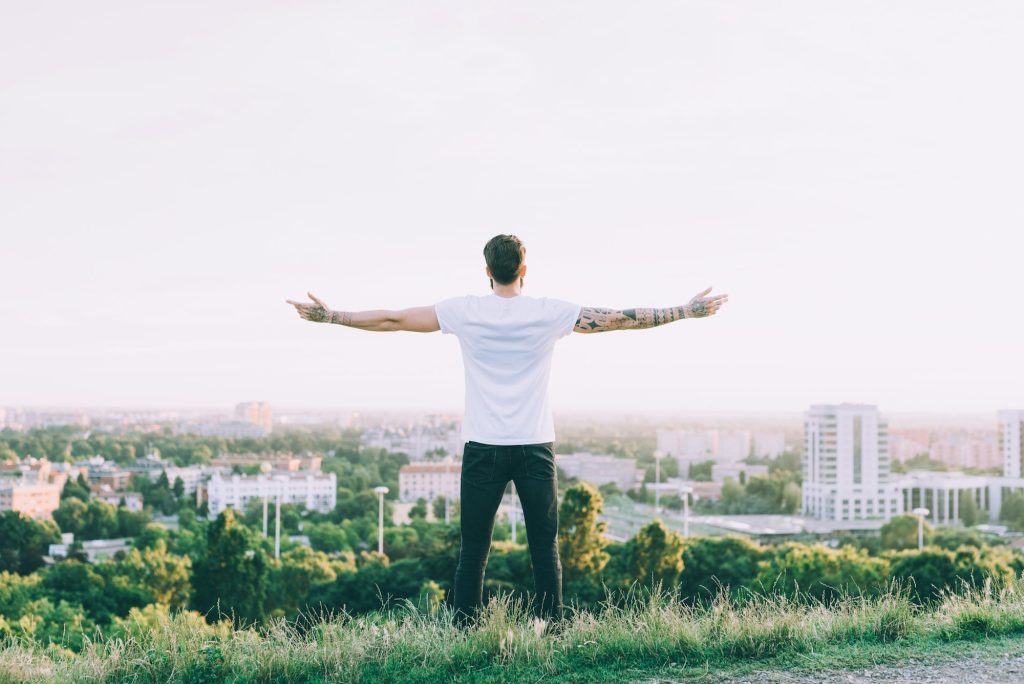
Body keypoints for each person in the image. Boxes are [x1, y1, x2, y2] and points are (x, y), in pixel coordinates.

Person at [286, 233, 728, 630]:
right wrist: (684, 312)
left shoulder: (463, 310)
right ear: (524, 270)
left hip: (483, 447)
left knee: (473, 549)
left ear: (487, 272)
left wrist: (333, 316)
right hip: (535, 446)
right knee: (544, 545)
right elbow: (621, 318)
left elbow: (394, 319)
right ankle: (552, 631)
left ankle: (464, 630)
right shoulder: (550, 312)